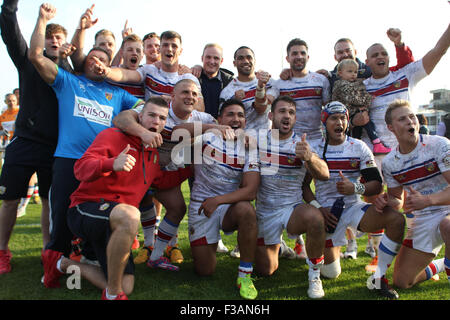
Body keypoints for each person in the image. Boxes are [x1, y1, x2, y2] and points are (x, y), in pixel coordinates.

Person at [27, 3, 143, 287]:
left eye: (103, 59)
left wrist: (130, 120)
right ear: (84, 61)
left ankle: (89, 259)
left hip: (106, 163)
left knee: (98, 217)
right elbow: (34, 56)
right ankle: (55, 268)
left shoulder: (118, 93)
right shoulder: (68, 81)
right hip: (69, 160)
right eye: (92, 57)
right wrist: (42, 20)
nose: (97, 61)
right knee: (63, 218)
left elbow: (145, 108)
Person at [48, 97, 190, 300]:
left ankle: (62, 264)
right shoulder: (112, 136)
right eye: (151, 115)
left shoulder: (153, 153)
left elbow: (161, 181)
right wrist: (111, 163)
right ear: (140, 116)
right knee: (131, 214)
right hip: (86, 209)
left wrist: (192, 170)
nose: (156, 121)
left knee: (127, 285)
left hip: (118, 222)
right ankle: (113, 295)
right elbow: (80, 169)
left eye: (162, 118)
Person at [303, 101, 405, 299]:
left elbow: (376, 183)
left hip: (353, 207)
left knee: (396, 219)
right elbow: (304, 186)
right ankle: (329, 249)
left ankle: (380, 277)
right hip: (327, 212)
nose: (339, 122)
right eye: (334, 118)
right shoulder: (313, 147)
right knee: (331, 273)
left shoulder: (358, 146)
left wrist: (355, 187)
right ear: (324, 122)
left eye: (343, 118)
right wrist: (317, 208)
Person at [0, 0, 72, 274]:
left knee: (48, 200)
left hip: (55, 146)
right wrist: (11, 5)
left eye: (59, 38)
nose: (55, 41)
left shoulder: (67, 72)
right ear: (42, 39)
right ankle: (2, 251)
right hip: (25, 143)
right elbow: (9, 31)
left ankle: (48, 251)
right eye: (50, 37)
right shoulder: (28, 61)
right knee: (9, 200)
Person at [113, 79, 216, 269]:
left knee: (177, 208)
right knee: (131, 207)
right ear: (173, 95)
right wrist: (143, 133)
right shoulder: (157, 109)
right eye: (185, 92)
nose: (190, 97)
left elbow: (220, 126)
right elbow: (119, 120)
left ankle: (156, 255)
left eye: (194, 94)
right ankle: (145, 245)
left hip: (165, 172)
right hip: (139, 169)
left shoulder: (203, 118)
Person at [175, 98, 260, 299]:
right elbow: (177, 131)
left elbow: (251, 191)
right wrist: (212, 128)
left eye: (240, 115)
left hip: (226, 207)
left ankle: (245, 275)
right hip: (201, 207)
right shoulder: (206, 137)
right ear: (220, 118)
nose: (236, 119)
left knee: (247, 210)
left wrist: (218, 200)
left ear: (245, 122)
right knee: (205, 270)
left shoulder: (249, 147)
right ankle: (209, 241)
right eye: (230, 114)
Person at [253, 95, 329, 299]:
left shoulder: (303, 144)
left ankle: (314, 276)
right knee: (265, 271)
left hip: (291, 208)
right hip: (265, 211)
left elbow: (324, 174)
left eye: (291, 112)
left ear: (295, 119)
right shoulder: (257, 140)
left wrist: (309, 157)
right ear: (271, 115)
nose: (287, 116)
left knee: (315, 218)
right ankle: (280, 247)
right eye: (282, 111)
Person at [375, 99, 450, 294]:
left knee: (447, 226)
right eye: (402, 119)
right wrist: (384, 200)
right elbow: (397, 201)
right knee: (402, 281)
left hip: (447, 210)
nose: (410, 121)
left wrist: (428, 200)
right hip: (423, 218)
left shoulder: (439, 145)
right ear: (391, 127)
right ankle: (441, 264)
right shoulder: (391, 162)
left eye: (411, 116)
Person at [98, 30, 205, 111]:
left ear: (180, 51)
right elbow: (126, 74)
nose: (169, 49)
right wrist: (107, 71)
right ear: (160, 49)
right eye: (165, 45)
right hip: (150, 129)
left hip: (178, 133)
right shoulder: (149, 70)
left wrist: (173, 101)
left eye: (174, 46)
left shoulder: (189, 78)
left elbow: (201, 108)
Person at [267, 38, 330, 144]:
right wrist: (260, 84)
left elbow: (329, 108)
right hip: (289, 140)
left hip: (317, 139)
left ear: (308, 57)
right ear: (287, 58)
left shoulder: (321, 80)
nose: (299, 56)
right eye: (295, 53)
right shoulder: (280, 83)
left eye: (302, 53)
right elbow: (266, 102)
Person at [332, 59, 391, 153]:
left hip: (352, 112)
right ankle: (376, 142)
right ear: (340, 73)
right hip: (346, 113)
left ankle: (358, 147)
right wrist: (368, 98)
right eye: (350, 71)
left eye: (355, 72)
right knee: (367, 123)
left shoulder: (353, 83)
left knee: (360, 128)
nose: (353, 74)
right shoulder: (341, 85)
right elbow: (352, 98)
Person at [220, 46, 273, 130]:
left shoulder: (268, 82)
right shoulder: (227, 92)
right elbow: (222, 121)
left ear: (254, 61)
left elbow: (262, 109)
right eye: (241, 58)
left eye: (249, 57)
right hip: (241, 139)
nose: (245, 61)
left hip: (264, 138)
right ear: (234, 63)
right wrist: (234, 100)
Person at [191, 43, 234, 119]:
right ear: (202, 58)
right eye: (208, 57)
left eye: (216, 58)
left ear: (221, 61)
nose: (212, 61)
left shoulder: (229, 81)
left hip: (220, 127)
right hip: (196, 126)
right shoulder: (193, 77)